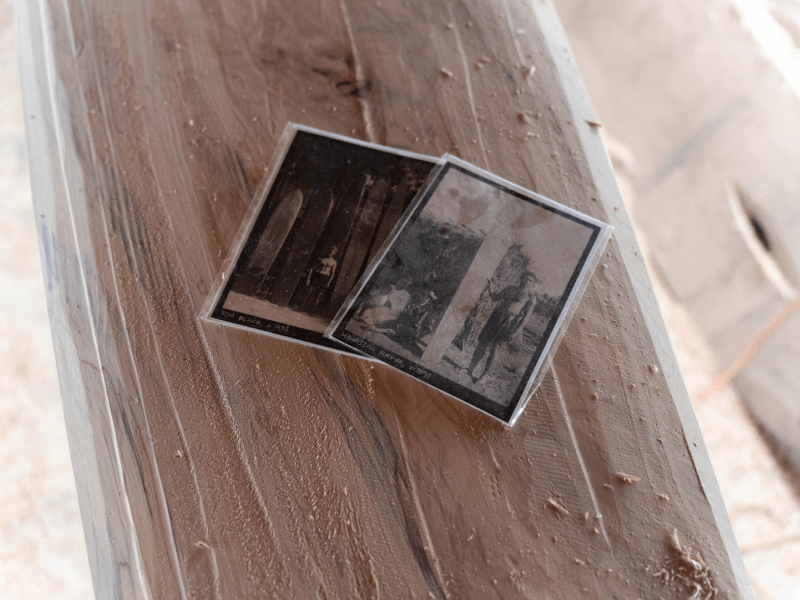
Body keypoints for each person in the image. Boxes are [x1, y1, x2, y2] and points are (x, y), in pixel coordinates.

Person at [468, 271, 538, 383]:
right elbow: (495, 298)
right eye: (525, 278)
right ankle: (470, 369)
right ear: (521, 279)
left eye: (530, 280)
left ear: (533, 284)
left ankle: (484, 376)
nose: (527, 282)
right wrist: (491, 287)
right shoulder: (510, 288)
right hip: (496, 317)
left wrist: (515, 331)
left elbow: (525, 318)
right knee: (482, 343)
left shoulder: (531, 298)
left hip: (509, 323)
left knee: (495, 349)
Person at [302, 246, 338, 314]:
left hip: (325, 278)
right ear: (328, 251)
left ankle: (311, 312)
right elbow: (312, 268)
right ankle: (302, 308)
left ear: (334, 253)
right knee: (309, 291)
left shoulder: (334, 262)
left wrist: (329, 282)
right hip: (318, 275)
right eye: (330, 250)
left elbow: (332, 273)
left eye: (332, 252)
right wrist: (309, 278)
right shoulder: (321, 259)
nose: (331, 252)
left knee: (318, 295)